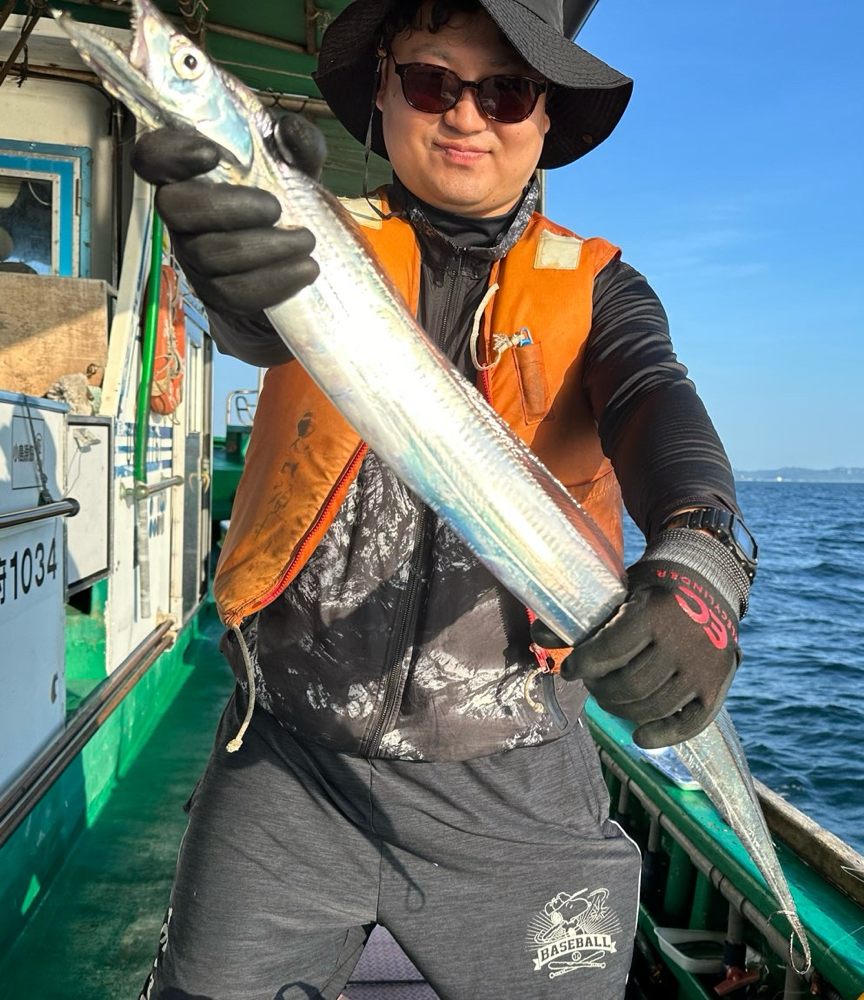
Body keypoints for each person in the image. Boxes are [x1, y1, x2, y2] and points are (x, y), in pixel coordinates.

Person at [131, 0, 758, 997]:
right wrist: (224, 273)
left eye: (505, 90)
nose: (466, 115)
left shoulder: (601, 289)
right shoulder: (309, 238)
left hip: (519, 779)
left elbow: (653, 394)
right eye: (431, 81)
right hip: (287, 764)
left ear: (544, 116)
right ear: (382, 92)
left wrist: (703, 550)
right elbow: (254, 317)